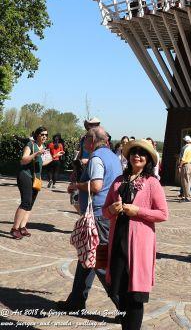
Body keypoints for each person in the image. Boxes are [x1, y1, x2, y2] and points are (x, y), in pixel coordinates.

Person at [103, 139, 168, 330]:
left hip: (139, 246)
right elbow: (104, 211)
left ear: (147, 159)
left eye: (141, 153)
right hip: (118, 242)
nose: (137, 156)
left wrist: (138, 211)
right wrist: (113, 210)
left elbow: (163, 214)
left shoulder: (152, 183)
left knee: (135, 297)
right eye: (133, 152)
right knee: (118, 293)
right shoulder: (118, 181)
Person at [59, 127, 122, 312]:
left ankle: (124, 306)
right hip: (107, 214)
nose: (84, 140)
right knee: (86, 257)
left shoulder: (96, 158)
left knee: (100, 263)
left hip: (98, 215)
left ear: (93, 139)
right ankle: (76, 302)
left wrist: (75, 186)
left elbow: (96, 185)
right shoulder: (112, 156)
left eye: (85, 137)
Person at [11, 126, 48, 239]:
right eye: (42, 134)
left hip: (36, 179)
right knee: (26, 202)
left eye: (46, 135)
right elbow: (23, 160)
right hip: (25, 176)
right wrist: (36, 154)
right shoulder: (30, 145)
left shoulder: (43, 147)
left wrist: (55, 157)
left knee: (30, 204)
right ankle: (14, 229)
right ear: (37, 135)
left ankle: (23, 227)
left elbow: (42, 163)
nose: (44, 137)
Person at [178, 135, 191, 201]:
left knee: (185, 181)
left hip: (186, 165)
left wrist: (180, 166)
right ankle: (185, 195)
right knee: (190, 181)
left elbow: (182, 159)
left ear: (185, 141)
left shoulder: (184, 148)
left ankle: (187, 196)